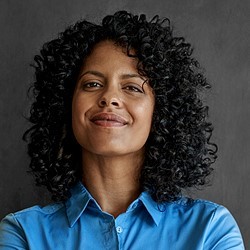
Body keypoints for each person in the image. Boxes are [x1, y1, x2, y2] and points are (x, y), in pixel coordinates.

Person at [0, 10, 244, 249]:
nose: (109, 98)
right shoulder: (23, 234)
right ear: (66, 104)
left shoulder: (210, 230)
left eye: (132, 88)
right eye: (92, 84)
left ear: (160, 113)